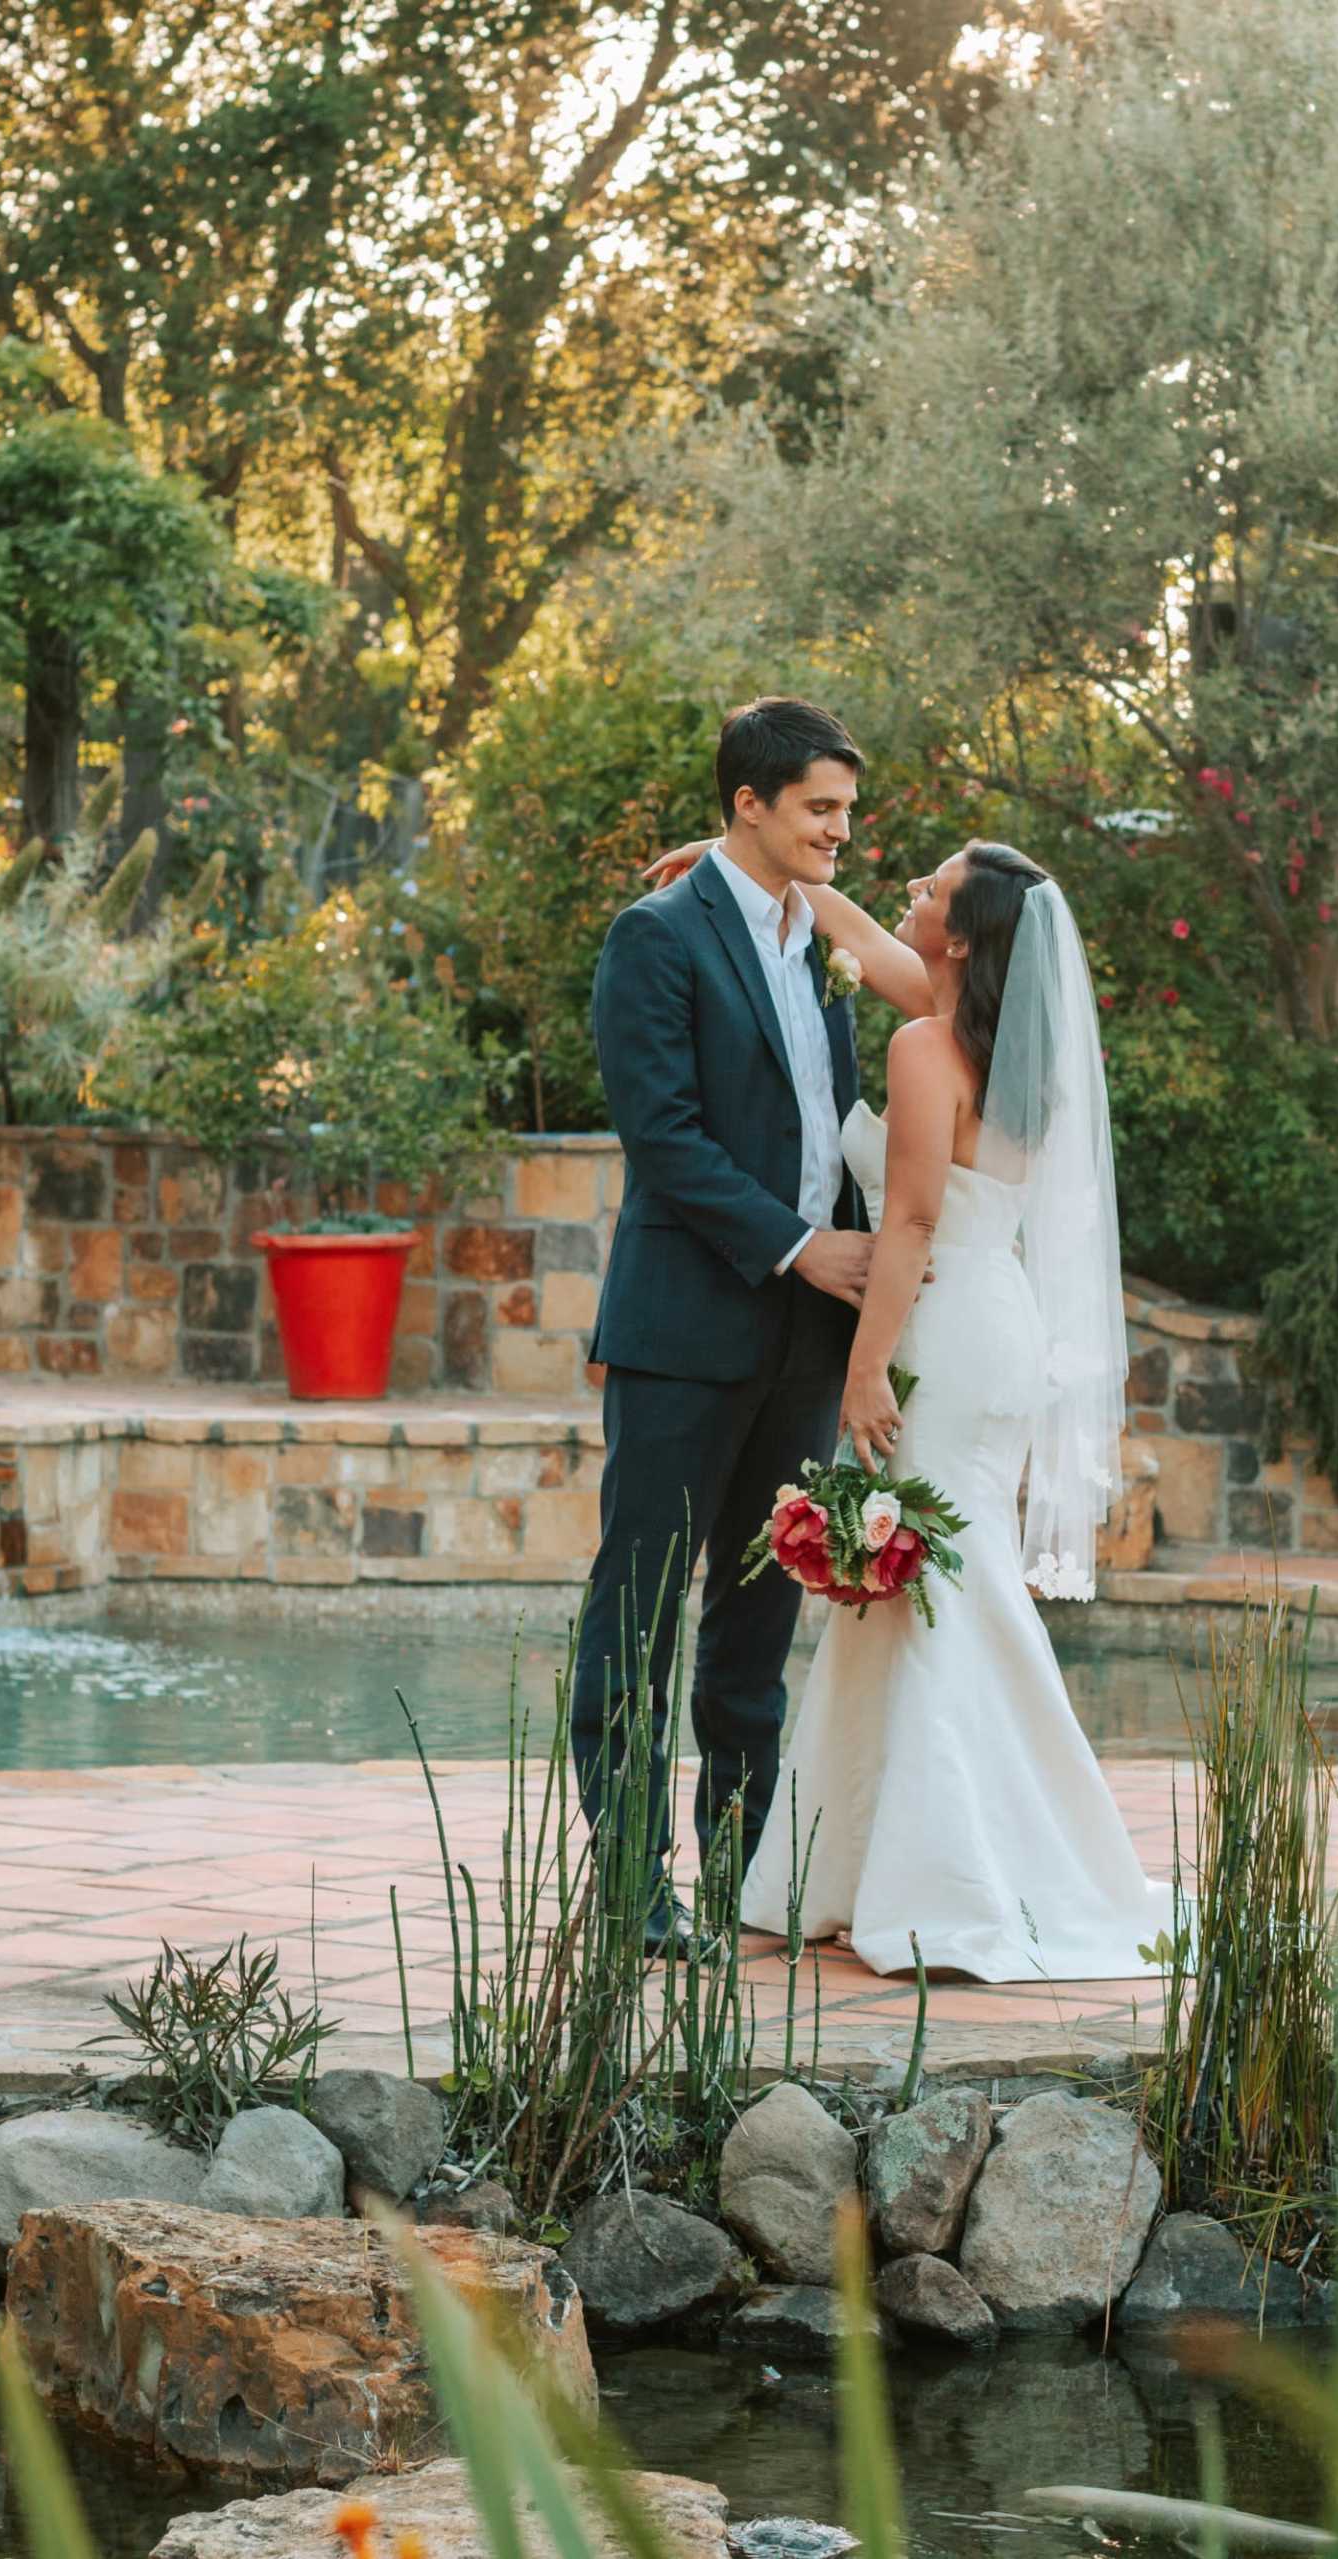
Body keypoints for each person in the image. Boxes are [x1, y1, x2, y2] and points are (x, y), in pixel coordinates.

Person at [639, 830, 1166, 1981]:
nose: (908, 893)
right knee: (937, 1576)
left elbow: (913, 1224)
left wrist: (866, 1369)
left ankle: (959, 1875)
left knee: (933, 1583)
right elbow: (867, 936)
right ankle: (902, 1860)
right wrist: (742, 866)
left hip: (936, 1324)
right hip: (994, 1324)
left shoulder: (930, 1044)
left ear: (965, 940)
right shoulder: (1000, 1045)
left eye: (931, 890)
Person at [570, 698, 875, 1956]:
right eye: (819, 808)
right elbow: (666, 1139)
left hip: (806, 1347)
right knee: (639, 1608)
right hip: (685, 1331)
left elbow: (836, 1123)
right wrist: (804, 1247)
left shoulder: (822, 945)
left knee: (757, 1623)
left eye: (848, 812)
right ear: (747, 804)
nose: (840, 833)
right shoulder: (656, 938)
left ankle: (743, 1871)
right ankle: (635, 1886)